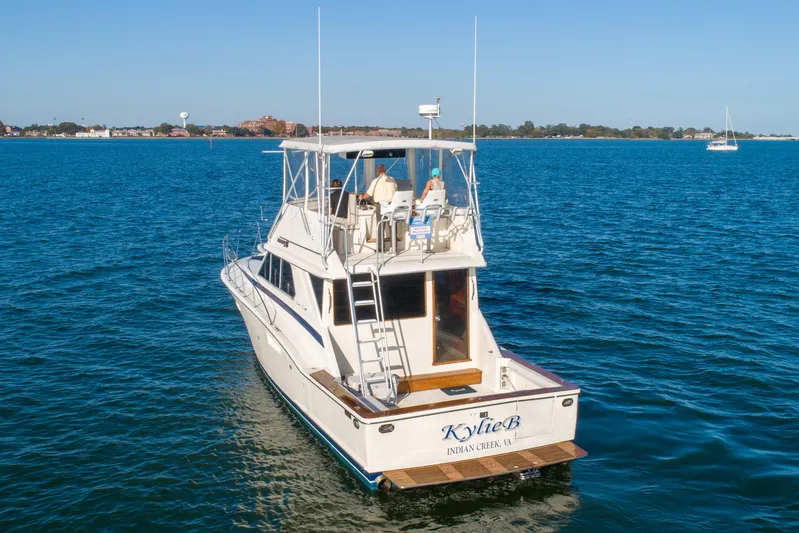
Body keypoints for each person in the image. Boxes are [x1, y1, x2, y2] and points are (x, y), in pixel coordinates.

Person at [358, 164, 397, 245]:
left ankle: (380, 248)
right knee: (392, 226)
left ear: (377, 172)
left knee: (380, 226)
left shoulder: (375, 181)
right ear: (385, 171)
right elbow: (396, 190)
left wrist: (362, 197)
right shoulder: (392, 179)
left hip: (381, 206)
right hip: (392, 205)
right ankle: (394, 246)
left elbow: (369, 194)